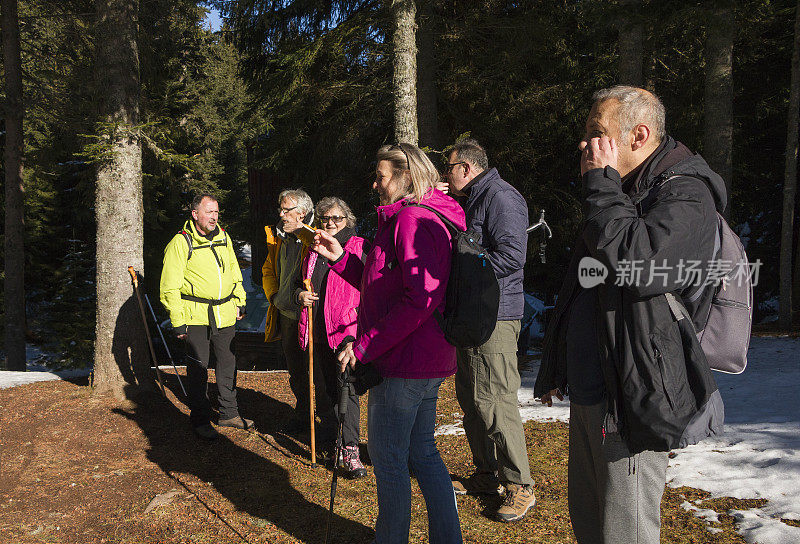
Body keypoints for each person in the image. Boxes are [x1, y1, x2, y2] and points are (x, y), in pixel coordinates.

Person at [535, 85, 725, 544]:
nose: (586, 145)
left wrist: (601, 188)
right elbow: (586, 282)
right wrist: (559, 364)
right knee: (590, 524)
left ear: (638, 135)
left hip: (633, 395)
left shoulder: (687, 194)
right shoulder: (624, 192)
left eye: (598, 133)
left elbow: (641, 266)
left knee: (626, 533)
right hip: (593, 389)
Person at [313, 143, 464, 544]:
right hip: (420, 357)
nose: (374, 183)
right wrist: (341, 258)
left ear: (405, 176)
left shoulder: (412, 220)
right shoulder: (404, 218)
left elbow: (421, 298)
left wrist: (363, 346)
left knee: (389, 459)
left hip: (405, 362)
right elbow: (385, 283)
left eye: (381, 176)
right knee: (421, 452)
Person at [442, 138, 535, 522]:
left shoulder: (500, 197)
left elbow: (513, 255)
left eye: (449, 168)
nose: (446, 175)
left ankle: (520, 486)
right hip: (475, 314)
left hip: (495, 315)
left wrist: (467, 274)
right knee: (472, 397)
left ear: (466, 168)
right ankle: (487, 474)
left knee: (494, 399)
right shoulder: (477, 197)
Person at [160, 193, 250, 440]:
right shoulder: (180, 243)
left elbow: (234, 270)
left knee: (227, 363)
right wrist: (177, 320)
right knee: (198, 368)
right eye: (209, 212)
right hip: (195, 315)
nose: (214, 217)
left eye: (216, 212)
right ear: (195, 214)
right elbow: (169, 286)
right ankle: (200, 419)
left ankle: (229, 412)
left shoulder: (223, 236)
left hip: (225, 312)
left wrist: (240, 300)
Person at [297, 196, 368, 478]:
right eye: (325, 218)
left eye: (337, 218)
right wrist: (300, 295)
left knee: (346, 390)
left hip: (345, 330)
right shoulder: (313, 250)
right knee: (327, 388)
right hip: (318, 328)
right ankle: (335, 439)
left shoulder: (359, 247)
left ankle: (350, 449)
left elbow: (367, 287)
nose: (330, 223)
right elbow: (298, 284)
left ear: (347, 220)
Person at [261, 188, 329, 434]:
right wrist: (274, 296)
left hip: (311, 316)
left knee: (319, 375)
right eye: (281, 209)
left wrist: (301, 231)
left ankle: (328, 425)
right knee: (297, 373)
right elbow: (268, 269)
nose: (281, 214)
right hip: (288, 313)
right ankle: (303, 415)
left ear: (301, 213)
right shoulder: (278, 236)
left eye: (286, 210)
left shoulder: (318, 234)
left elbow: (323, 251)